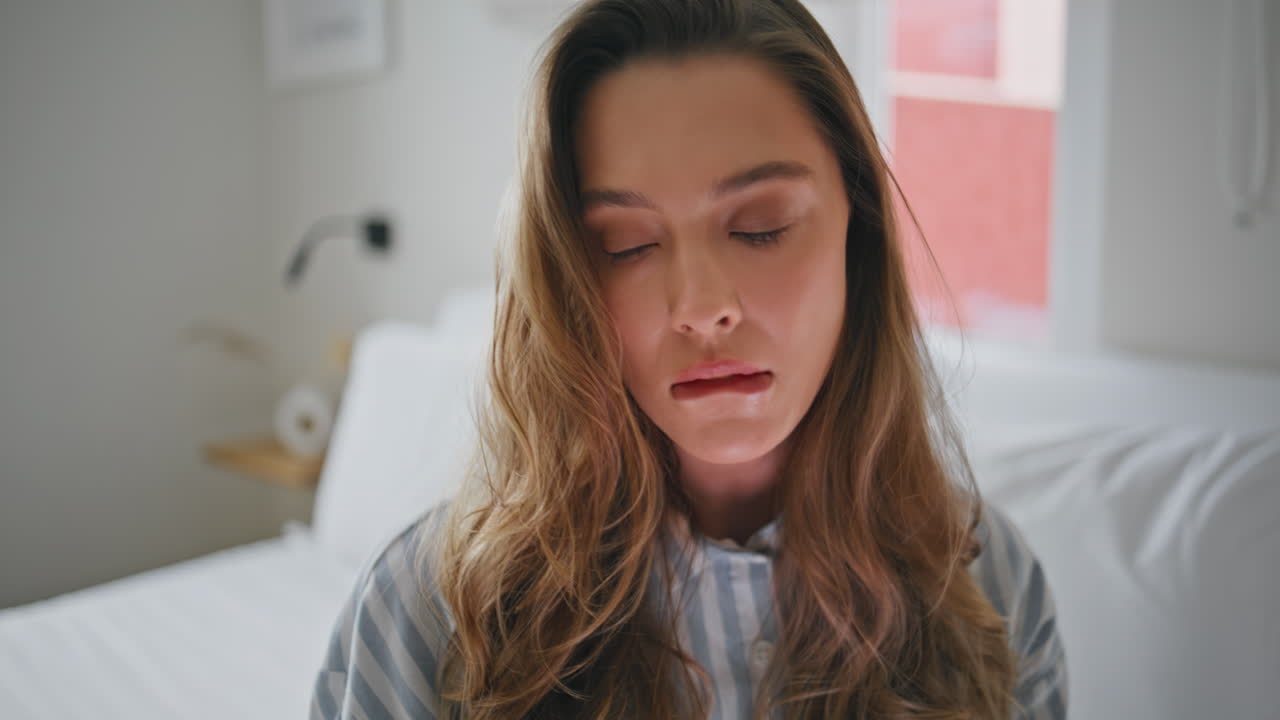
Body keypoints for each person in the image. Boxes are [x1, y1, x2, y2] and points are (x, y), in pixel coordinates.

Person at [310, 1, 1068, 718]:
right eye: (627, 245)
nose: (702, 307)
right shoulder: (426, 616)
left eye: (761, 227)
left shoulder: (989, 587)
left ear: (857, 232)